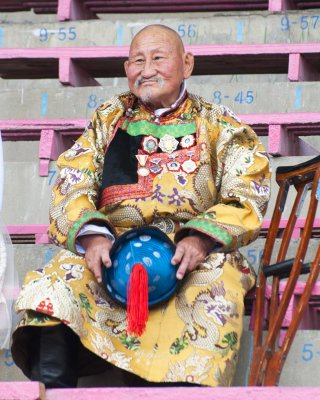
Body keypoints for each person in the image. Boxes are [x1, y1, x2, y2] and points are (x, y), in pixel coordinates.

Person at [11, 24, 270, 388]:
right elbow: (73, 179)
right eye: (137, 61)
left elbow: (247, 190)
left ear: (187, 64)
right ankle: (53, 390)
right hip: (113, 249)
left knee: (217, 286)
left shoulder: (219, 123)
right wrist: (95, 238)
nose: (146, 69)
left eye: (158, 58)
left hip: (191, 254)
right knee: (57, 281)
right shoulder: (108, 119)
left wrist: (198, 240)